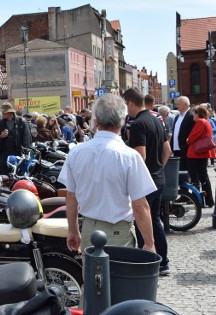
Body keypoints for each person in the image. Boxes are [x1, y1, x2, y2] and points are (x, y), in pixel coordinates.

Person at [57, 93, 156, 252]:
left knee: (91, 276)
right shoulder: (130, 156)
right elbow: (139, 206)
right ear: (122, 122)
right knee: (118, 275)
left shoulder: (76, 152)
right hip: (117, 232)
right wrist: (149, 243)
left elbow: (71, 196)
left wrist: (73, 230)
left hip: (89, 229)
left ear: (95, 122)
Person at [123, 88, 172, 275]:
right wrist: (159, 167)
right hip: (159, 178)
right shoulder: (157, 119)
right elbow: (167, 150)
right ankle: (163, 262)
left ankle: (149, 264)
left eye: (125, 105)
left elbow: (140, 156)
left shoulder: (137, 124)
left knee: (143, 221)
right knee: (156, 220)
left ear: (131, 104)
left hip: (145, 181)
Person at [186, 105, 215, 207]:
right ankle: (208, 200)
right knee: (203, 177)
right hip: (201, 154)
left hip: (196, 154)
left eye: (194, 113)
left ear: (198, 114)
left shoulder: (200, 122)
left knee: (197, 178)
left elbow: (192, 137)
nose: (193, 115)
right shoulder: (206, 121)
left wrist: (188, 140)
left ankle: (200, 200)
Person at [0, 102, 32, 174]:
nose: (2, 113)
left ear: (10, 112)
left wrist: (25, 154)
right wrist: (1, 136)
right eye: (2, 112)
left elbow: (27, 139)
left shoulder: (21, 122)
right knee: (4, 175)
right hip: (4, 154)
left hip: (18, 153)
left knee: (18, 175)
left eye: (4, 112)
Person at [171, 96, 194, 173]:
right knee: (179, 172)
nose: (176, 106)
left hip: (186, 149)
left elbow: (192, 133)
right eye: (176, 104)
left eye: (178, 104)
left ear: (186, 104)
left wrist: (186, 146)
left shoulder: (191, 116)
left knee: (187, 172)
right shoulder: (177, 117)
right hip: (176, 149)